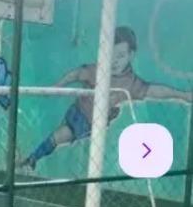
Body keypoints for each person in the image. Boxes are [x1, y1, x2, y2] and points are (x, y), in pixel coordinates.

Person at [21, 26, 191, 170]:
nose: (114, 61)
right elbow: (77, 73)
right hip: (76, 112)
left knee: (60, 136)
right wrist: (58, 86)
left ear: (131, 55)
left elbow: (155, 90)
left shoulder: (131, 83)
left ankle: (33, 158)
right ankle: (32, 158)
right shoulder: (98, 70)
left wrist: (182, 95)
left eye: (120, 56)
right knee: (56, 137)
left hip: (90, 124)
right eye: (111, 55)